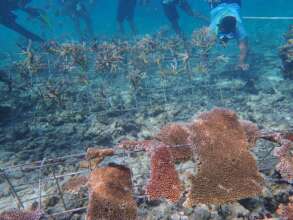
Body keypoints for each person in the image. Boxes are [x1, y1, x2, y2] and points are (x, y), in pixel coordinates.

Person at [208, 0, 249, 71]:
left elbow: (244, 47)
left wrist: (241, 62)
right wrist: (204, 63)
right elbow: (206, 46)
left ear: (234, 29)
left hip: (231, 4)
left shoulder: (239, 29)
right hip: (220, 5)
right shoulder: (213, 28)